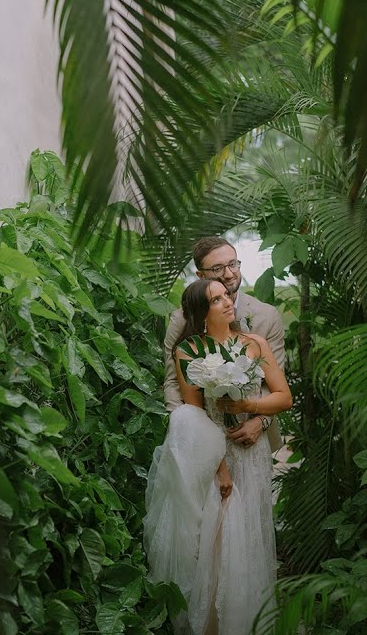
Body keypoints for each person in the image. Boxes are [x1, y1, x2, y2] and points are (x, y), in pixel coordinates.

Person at [144, 277, 293, 635]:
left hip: (252, 451)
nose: (227, 302)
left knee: (249, 539)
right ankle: (211, 625)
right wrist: (219, 467)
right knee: (217, 542)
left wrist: (249, 406)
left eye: (226, 295)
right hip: (217, 455)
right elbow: (194, 414)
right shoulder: (189, 351)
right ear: (200, 312)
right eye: (216, 300)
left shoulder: (254, 344)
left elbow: (284, 397)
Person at [163, 237, 287, 454]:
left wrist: (260, 422)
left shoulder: (266, 317)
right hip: (203, 438)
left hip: (254, 436)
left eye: (233, 264)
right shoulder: (181, 320)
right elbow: (174, 382)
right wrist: (185, 436)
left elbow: (275, 383)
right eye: (218, 268)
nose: (229, 274)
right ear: (201, 276)